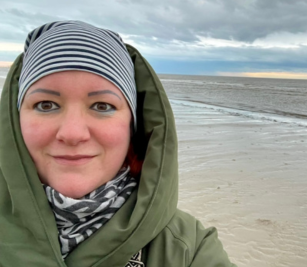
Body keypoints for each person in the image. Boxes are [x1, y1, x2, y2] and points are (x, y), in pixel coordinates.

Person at [0, 21, 236, 267]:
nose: (72, 133)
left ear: (132, 125)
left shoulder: (189, 248)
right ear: (15, 123)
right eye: (46, 105)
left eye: (102, 106)